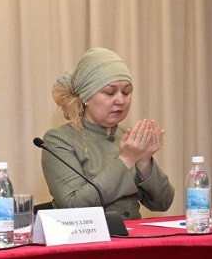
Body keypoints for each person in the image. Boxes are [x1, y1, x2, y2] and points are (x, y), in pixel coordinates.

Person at [41, 47, 174, 218]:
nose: (121, 100)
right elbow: (73, 206)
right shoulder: (59, 140)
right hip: (89, 234)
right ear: (86, 97)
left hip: (134, 233)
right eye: (110, 92)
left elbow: (163, 203)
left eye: (126, 92)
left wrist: (144, 162)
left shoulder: (128, 136)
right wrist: (125, 160)